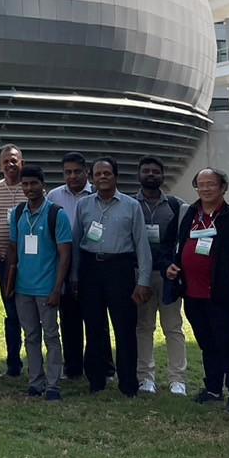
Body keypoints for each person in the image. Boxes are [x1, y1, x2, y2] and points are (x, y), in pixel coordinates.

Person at [165, 169, 229, 415]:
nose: (206, 189)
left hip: (221, 295)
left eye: (211, 184)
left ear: (223, 188)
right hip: (192, 293)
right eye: (201, 184)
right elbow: (176, 244)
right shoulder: (190, 213)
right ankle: (213, 389)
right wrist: (172, 266)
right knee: (207, 343)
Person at [72, 158, 152, 396]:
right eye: (98, 174)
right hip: (90, 269)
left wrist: (143, 281)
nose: (103, 177)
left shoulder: (131, 205)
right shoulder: (84, 205)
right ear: (92, 178)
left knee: (125, 328)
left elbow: (142, 244)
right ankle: (96, 380)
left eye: (107, 173)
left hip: (120, 268)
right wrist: (74, 276)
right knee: (94, 327)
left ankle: (128, 384)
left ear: (115, 176)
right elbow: (76, 242)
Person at [6, 164, 74, 401]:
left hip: (47, 288)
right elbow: (13, 249)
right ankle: (35, 381)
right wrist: (10, 283)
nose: (29, 188)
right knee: (31, 336)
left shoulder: (57, 214)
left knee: (51, 336)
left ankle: (53, 384)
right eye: (25, 184)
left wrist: (57, 288)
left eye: (34, 183)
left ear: (43, 185)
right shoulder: (17, 213)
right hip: (23, 288)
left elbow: (65, 254)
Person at [134, 156, 188, 396]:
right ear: (139, 175)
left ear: (162, 175)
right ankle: (146, 378)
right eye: (146, 170)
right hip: (139, 275)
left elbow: (183, 241)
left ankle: (178, 379)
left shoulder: (177, 206)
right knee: (144, 327)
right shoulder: (130, 204)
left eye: (155, 171)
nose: (150, 174)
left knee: (173, 327)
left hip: (168, 275)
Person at [0, 144, 27, 379]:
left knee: (32, 311)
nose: (10, 164)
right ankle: (13, 365)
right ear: (0, 165)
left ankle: (38, 362)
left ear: (22, 163)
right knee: (11, 311)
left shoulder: (30, 187)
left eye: (14, 160)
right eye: (6, 161)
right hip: (3, 262)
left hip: (30, 262)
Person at [47, 152, 92, 380]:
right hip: (63, 263)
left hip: (92, 264)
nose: (72, 176)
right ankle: (73, 367)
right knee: (69, 318)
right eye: (67, 172)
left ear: (86, 172)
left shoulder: (97, 194)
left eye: (76, 172)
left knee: (95, 319)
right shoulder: (54, 196)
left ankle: (101, 366)